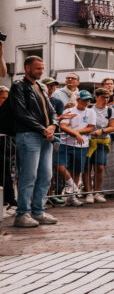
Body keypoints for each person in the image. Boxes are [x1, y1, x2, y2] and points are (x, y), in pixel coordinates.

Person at [9, 56, 58, 227]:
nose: (41, 71)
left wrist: (53, 125)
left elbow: (52, 110)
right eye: (38, 68)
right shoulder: (18, 86)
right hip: (29, 135)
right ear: (27, 68)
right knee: (28, 176)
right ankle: (22, 213)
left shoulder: (40, 87)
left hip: (45, 136)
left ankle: (38, 211)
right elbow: (20, 113)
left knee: (45, 176)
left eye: (42, 68)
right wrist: (43, 129)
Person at [55, 90, 95, 206]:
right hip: (66, 143)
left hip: (82, 145)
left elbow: (90, 128)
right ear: (78, 100)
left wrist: (76, 132)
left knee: (76, 171)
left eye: (88, 100)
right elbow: (63, 126)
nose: (86, 102)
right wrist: (76, 134)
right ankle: (71, 185)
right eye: (84, 100)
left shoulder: (91, 112)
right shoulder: (69, 110)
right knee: (58, 164)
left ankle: (72, 197)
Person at [83, 88, 114, 203]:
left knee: (100, 167)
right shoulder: (89, 109)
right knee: (87, 167)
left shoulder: (111, 110)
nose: (105, 100)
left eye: (107, 97)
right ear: (96, 97)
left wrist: (101, 131)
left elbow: (112, 127)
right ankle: (88, 193)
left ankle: (97, 192)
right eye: (103, 97)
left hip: (102, 141)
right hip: (88, 141)